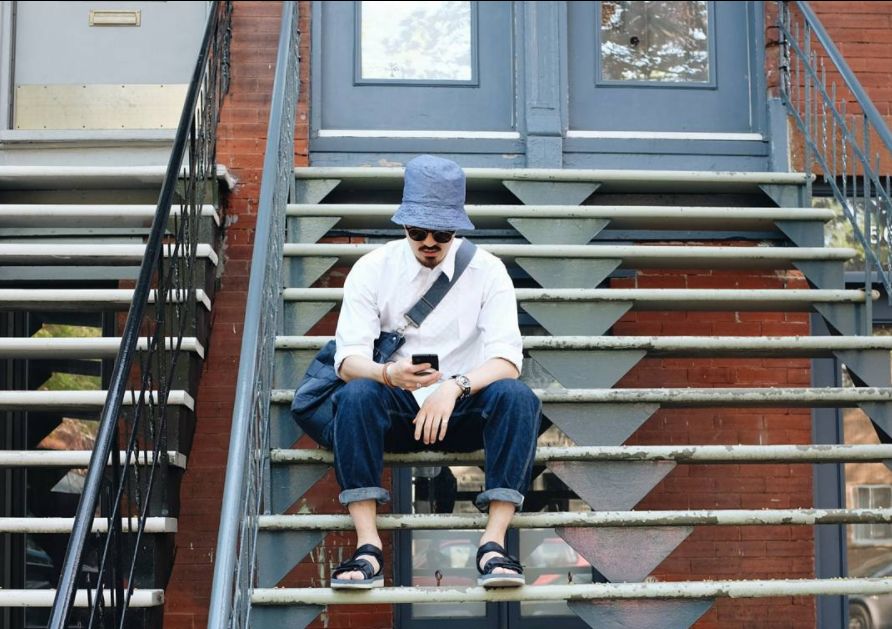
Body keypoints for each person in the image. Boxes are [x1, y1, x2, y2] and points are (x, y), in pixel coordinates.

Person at [326, 154, 541, 590]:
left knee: (519, 398)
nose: (429, 242)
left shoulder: (487, 270)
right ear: (404, 225)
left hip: (463, 410)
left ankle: (494, 544)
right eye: (418, 232)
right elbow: (347, 361)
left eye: (441, 234)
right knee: (354, 395)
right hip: (397, 408)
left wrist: (455, 387)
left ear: (457, 229)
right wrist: (390, 375)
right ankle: (368, 547)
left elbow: (508, 359)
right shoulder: (373, 269)